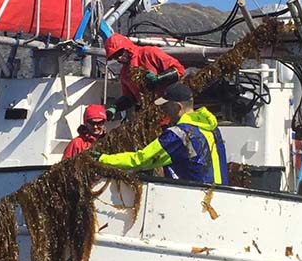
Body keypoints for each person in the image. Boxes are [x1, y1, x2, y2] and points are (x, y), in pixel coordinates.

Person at [94, 82, 228, 184]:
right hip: (220, 197)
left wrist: (102, 159)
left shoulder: (179, 135)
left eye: (166, 106)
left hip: (196, 199)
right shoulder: (211, 129)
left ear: (178, 107)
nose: (164, 110)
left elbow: (141, 160)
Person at [103, 33, 184, 119]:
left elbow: (179, 70)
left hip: (171, 108)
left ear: (127, 48)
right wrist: (115, 107)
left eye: (120, 53)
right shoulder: (124, 73)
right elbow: (130, 98)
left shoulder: (149, 52)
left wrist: (159, 78)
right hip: (150, 113)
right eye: (115, 57)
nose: (119, 58)